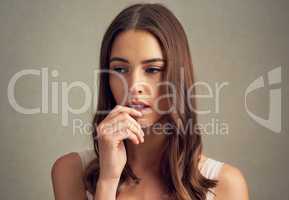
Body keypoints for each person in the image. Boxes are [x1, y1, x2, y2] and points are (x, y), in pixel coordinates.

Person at [51, 3, 249, 200]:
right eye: (120, 69)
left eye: (152, 70)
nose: (134, 86)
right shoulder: (70, 172)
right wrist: (108, 181)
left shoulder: (226, 186)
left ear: (177, 77)